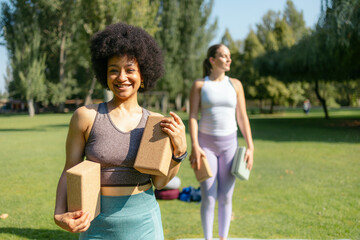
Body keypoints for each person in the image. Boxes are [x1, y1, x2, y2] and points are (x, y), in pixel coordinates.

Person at [53, 22, 187, 240]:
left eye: (130, 70)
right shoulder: (85, 117)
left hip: (144, 223)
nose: (121, 77)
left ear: (143, 75)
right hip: (96, 224)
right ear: (104, 75)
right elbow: (70, 168)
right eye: (113, 70)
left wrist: (179, 152)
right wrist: (59, 214)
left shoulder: (155, 124)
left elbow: (160, 183)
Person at [189, 44, 254, 240]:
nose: (228, 59)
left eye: (229, 56)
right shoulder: (200, 85)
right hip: (205, 146)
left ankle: (223, 238)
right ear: (212, 60)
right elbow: (192, 116)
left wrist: (251, 146)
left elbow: (242, 117)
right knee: (208, 196)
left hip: (230, 146)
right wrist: (195, 145)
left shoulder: (235, 85)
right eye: (224, 56)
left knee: (226, 196)